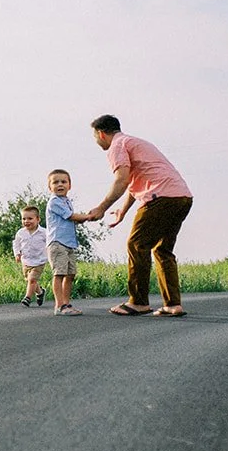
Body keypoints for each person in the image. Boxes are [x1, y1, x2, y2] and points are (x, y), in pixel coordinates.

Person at [83, 115, 194, 318]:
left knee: (136, 245)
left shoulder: (117, 146)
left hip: (160, 198)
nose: (96, 141)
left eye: (95, 136)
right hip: (182, 197)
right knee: (162, 250)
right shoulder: (136, 142)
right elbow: (135, 183)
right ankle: (173, 304)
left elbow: (122, 180)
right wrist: (123, 211)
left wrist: (101, 208)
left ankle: (138, 302)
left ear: (101, 134)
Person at [44, 169, 97, 316]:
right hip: (57, 243)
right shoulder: (54, 201)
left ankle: (66, 304)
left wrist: (85, 218)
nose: (60, 184)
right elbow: (71, 217)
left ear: (70, 185)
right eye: (55, 182)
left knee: (70, 274)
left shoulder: (66, 202)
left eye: (63, 181)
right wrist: (88, 217)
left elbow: (73, 219)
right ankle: (59, 305)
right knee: (59, 273)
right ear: (49, 187)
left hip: (68, 243)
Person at [11, 206, 48, 308]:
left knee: (32, 280)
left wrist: (51, 254)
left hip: (39, 261)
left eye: (30, 218)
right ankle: (40, 292)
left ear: (38, 219)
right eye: (24, 219)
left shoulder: (44, 232)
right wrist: (17, 253)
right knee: (30, 280)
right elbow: (16, 244)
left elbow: (50, 244)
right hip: (26, 261)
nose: (26, 221)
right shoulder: (21, 233)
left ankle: (27, 298)